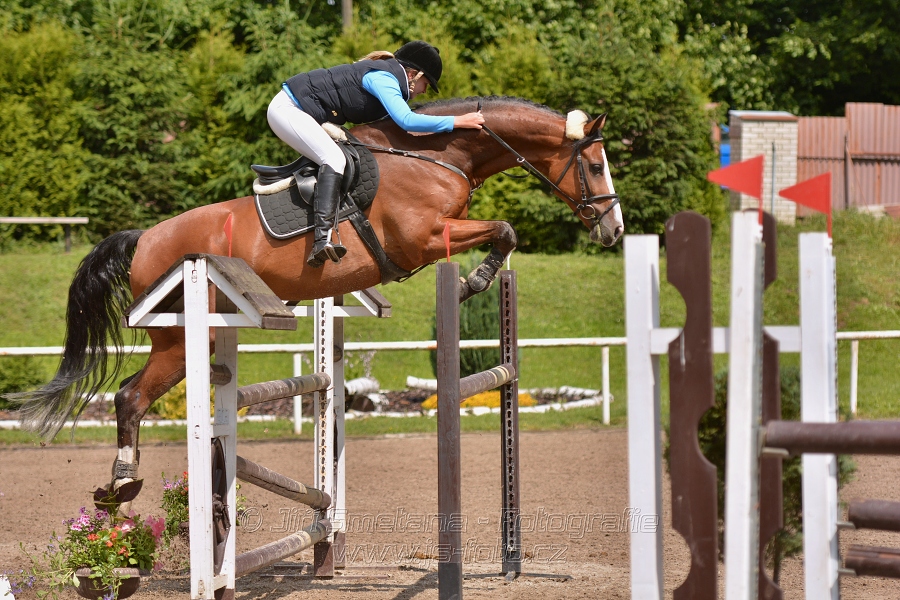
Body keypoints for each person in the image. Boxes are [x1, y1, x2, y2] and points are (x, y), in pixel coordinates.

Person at [267, 40, 485, 268]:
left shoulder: (388, 76)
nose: (423, 92)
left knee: (343, 157)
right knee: (333, 159)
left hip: (302, 111)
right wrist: (458, 121)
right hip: (288, 110)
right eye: (426, 84)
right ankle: (322, 240)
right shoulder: (384, 79)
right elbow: (406, 121)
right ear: (413, 74)